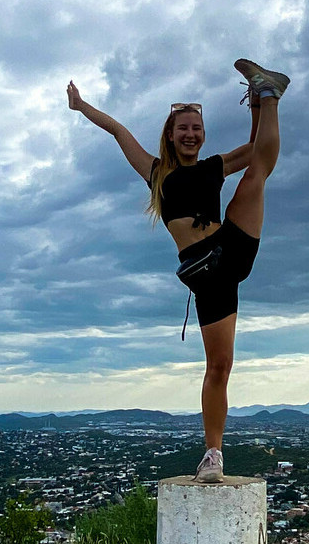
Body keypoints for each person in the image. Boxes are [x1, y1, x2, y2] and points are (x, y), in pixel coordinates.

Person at [66, 59, 289, 482]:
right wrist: (81, 106)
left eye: (197, 129)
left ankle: (268, 91)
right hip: (209, 275)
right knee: (219, 366)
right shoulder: (156, 173)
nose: (190, 134)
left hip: (232, 245)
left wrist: (257, 105)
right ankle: (213, 454)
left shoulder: (214, 167)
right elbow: (118, 130)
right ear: (171, 134)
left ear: (203, 137)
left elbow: (257, 147)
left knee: (259, 169)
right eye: (183, 128)